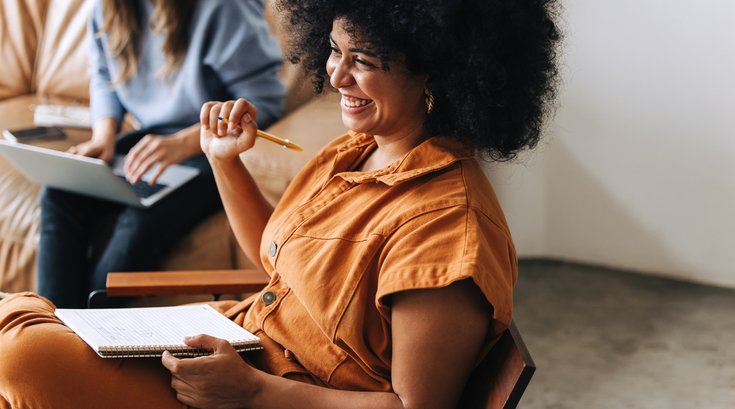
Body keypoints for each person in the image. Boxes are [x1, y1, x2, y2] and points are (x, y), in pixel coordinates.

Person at [0, 0, 560, 407]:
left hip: (250, 390)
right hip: (232, 347)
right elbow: (276, 256)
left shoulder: (448, 226)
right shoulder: (354, 153)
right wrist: (222, 159)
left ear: (439, 72)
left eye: (361, 59)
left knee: (20, 354)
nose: (335, 75)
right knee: (13, 327)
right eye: (335, 51)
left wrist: (252, 392)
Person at [37, 0, 285, 308]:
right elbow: (103, 75)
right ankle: (47, 326)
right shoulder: (109, 8)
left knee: (141, 216)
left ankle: (87, 328)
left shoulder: (224, 7)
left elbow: (265, 102)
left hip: (211, 148)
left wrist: (183, 143)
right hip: (151, 139)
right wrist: (105, 136)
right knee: (60, 191)